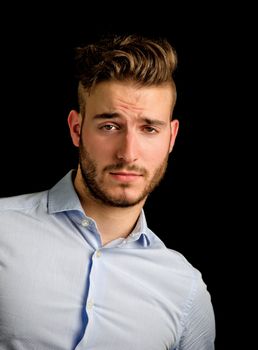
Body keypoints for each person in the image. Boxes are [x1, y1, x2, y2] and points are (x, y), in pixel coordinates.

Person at [0, 33, 215, 349]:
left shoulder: (186, 290)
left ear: (171, 138)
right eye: (110, 126)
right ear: (77, 129)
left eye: (149, 129)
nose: (128, 153)